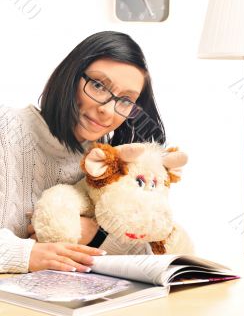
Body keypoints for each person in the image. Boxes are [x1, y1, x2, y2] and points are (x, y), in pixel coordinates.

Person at [0, 31, 168, 274]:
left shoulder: (107, 166)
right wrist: (26, 255)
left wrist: (94, 234)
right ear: (69, 76)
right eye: (99, 85)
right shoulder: (7, 128)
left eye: (125, 100)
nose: (108, 111)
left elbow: (147, 254)